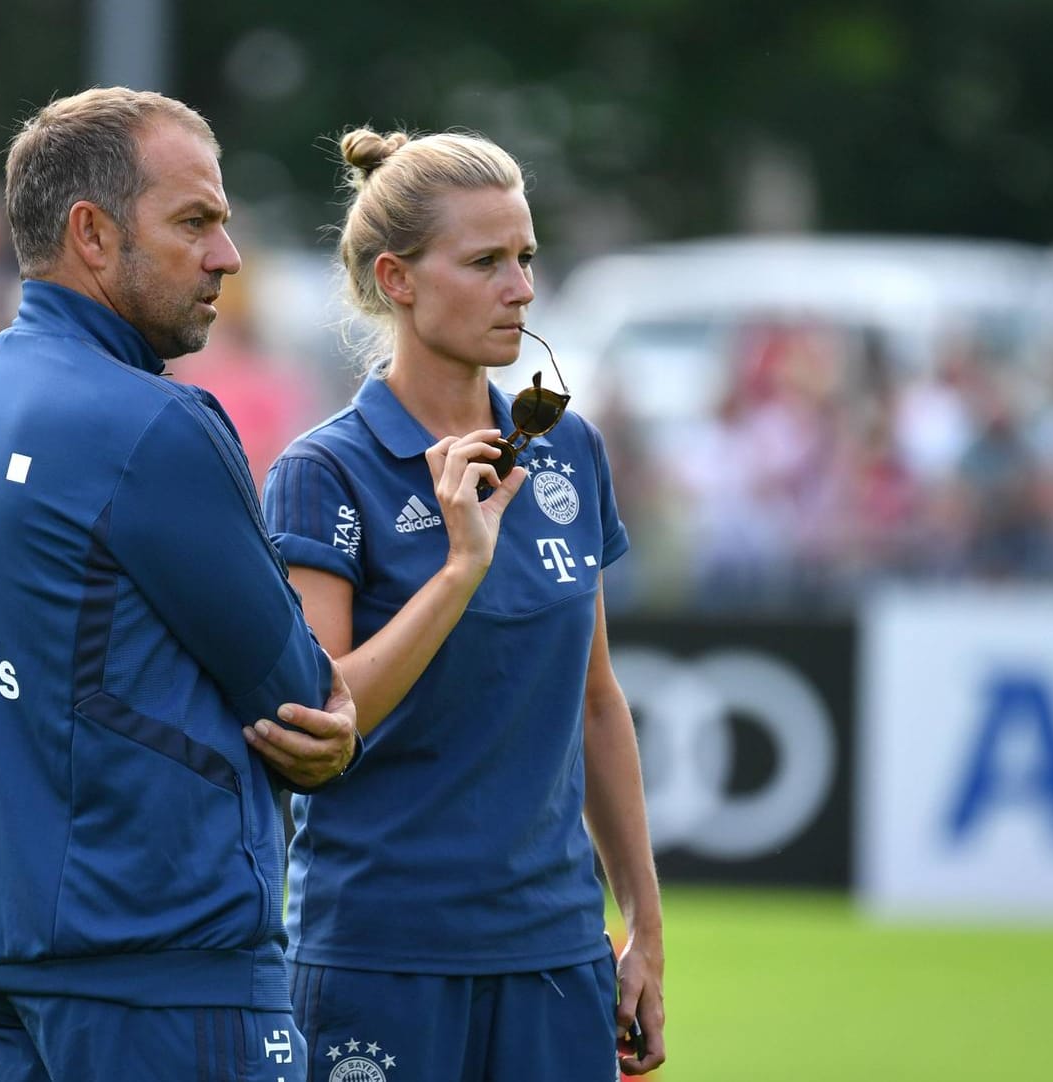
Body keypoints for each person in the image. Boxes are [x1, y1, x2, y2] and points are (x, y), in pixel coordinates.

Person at [0, 87, 358, 1081]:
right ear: (93, 234)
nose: (226, 255)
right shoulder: (153, 422)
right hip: (156, 964)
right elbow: (299, 697)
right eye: (194, 220)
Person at [261, 128, 668, 1079]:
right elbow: (324, 715)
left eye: (525, 257)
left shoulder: (572, 451)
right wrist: (458, 570)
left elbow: (598, 701)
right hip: (378, 953)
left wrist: (643, 929)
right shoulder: (323, 472)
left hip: (555, 954)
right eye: (485, 261)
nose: (520, 287)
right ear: (396, 280)